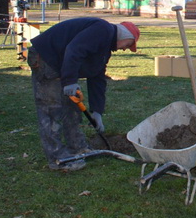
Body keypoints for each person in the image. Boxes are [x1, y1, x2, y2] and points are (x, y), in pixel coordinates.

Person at [27, 18, 140, 171]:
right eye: (129, 44)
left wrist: (97, 111)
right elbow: (74, 49)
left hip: (60, 63)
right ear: (125, 36)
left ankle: (78, 147)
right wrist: (69, 82)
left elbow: (97, 76)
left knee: (72, 107)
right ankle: (57, 158)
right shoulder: (103, 29)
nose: (126, 49)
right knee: (50, 110)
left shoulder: (104, 46)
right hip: (46, 57)